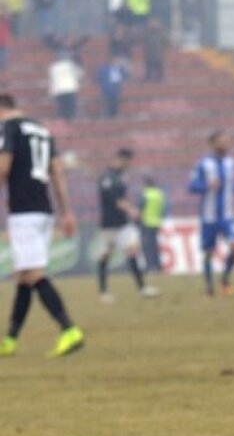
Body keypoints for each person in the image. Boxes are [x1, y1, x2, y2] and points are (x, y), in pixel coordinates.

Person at [0, 93, 84, 358]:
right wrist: (66, 212)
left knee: (34, 274)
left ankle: (69, 329)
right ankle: (10, 340)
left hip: (23, 210)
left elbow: (3, 167)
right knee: (24, 277)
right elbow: (57, 172)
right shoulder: (42, 130)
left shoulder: (7, 128)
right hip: (43, 210)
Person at [96, 148, 158, 301]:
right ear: (121, 159)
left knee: (132, 252)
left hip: (124, 223)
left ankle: (142, 288)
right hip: (109, 224)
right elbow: (114, 200)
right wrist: (131, 209)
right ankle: (103, 292)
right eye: (128, 161)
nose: (129, 165)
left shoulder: (122, 176)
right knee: (105, 256)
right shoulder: (107, 177)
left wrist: (129, 210)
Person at [188, 130, 234, 296]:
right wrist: (207, 186)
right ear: (212, 144)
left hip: (228, 216)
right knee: (209, 252)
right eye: (222, 141)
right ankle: (209, 287)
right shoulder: (203, 164)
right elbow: (192, 186)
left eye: (228, 140)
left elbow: (232, 183)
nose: (226, 143)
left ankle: (224, 278)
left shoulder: (231, 163)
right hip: (209, 216)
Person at [138, 174, 165, 272]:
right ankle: (158, 265)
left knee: (147, 246)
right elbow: (163, 208)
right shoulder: (159, 194)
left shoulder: (146, 194)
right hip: (156, 222)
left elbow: (141, 208)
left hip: (146, 222)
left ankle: (150, 266)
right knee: (155, 245)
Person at [47, 51, 81, 121]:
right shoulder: (71, 65)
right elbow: (79, 75)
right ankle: (70, 121)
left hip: (58, 91)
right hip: (69, 89)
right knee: (70, 109)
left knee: (62, 108)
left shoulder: (53, 67)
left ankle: (64, 121)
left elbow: (51, 79)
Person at [142, 17, 165, 82]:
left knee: (159, 70)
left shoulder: (160, 34)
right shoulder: (147, 34)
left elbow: (163, 44)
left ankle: (159, 79)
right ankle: (149, 79)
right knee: (149, 70)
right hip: (150, 55)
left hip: (158, 55)